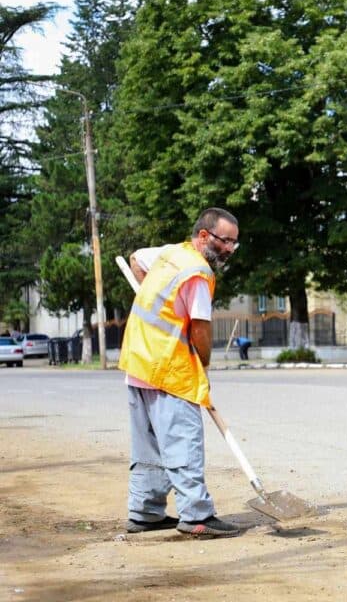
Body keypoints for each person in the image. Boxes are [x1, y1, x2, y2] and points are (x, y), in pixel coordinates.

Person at [118, 207, 241, 538]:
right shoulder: (198, 274)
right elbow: (200, 329)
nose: (229, 249)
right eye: (224, 241)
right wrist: (203, 365)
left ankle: (144, 513)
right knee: (182, 440)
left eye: (234, 244)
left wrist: (158, 303)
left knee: (148, 446)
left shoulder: (171, 253)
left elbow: (135, 259)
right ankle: (197, 514)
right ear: (203, 236)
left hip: (138, 362)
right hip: (169, 369)